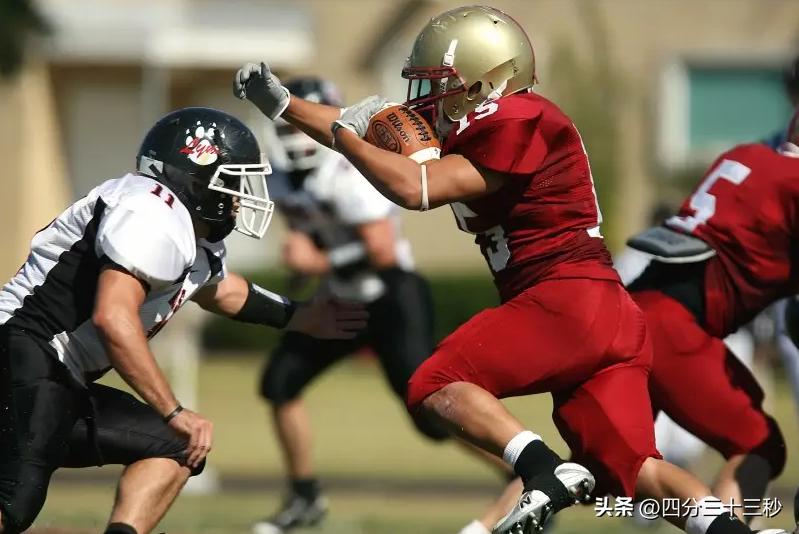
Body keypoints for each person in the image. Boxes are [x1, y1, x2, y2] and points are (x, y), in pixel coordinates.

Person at [234, 5, 786, 534]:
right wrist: (285, 106)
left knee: (435, 381)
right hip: (607, 311)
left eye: (439, 80)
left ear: (483, 77)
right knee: (635, 470)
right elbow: (351, 121)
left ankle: (542, 469)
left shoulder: (521, 115)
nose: (426, 96)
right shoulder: (475, 122)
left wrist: (348, 138)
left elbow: (416, 186)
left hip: (565, 297)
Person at [0, 107, 367, 534]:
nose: (238, 196)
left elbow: (223, 291)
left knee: (179, 448)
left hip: (54, 371)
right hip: (22, 350)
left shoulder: (186, 232)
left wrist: (300, 316)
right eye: (232, 182)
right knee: (14, 503)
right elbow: (113, 318)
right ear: (197, 176)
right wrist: (173, 409)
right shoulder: (150, 210)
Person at [252, 77, 439, 533]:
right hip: (342, 297)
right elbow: (314, 242)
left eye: (301, 124)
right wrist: (306, 263)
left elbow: (382, 251)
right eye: (287, 125)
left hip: (392, 294)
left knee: (433, 412)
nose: (294, 135)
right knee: (280, 383)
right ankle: (304, 496)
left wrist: (315, 259)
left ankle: (521, 475)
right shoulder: (284, 181)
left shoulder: (351, 172)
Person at [626, 110, 799, 522]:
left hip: (630, 310)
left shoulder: (748, 156)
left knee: (591, 469)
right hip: (675, 328)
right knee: (758, 444)